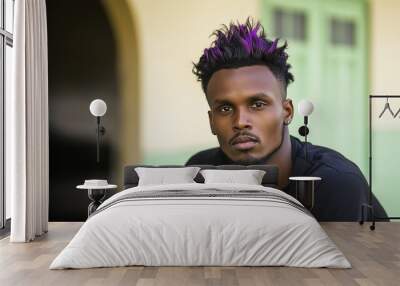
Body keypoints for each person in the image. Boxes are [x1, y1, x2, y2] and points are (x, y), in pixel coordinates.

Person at [186, 18, 387, 221]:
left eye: (257, 104)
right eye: (226, 108)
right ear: (212, 121)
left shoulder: (335, 182)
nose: (240, 121)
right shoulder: (200, 171)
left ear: (287, 112)